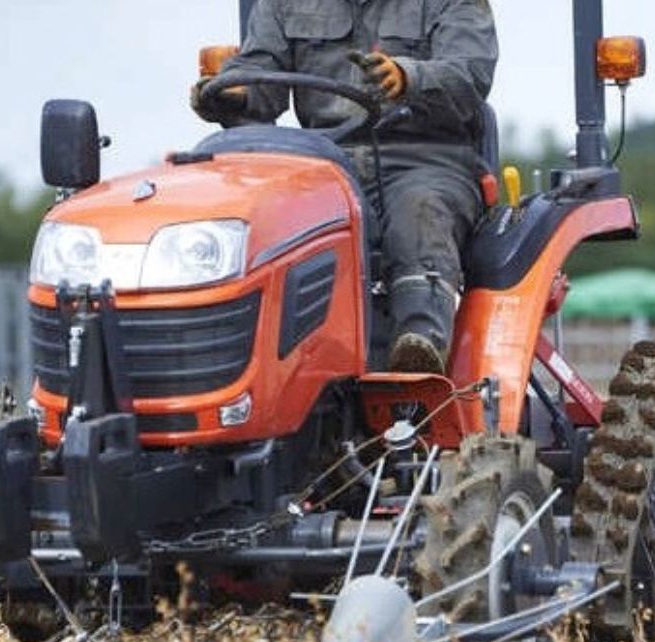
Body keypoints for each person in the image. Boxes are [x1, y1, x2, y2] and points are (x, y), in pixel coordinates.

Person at [191, 0, 498, 374]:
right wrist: (236, 92)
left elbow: (469, 76)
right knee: (268, 223)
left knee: (419, 210)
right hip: (325, 159)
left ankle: (419, 343)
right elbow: (261, 73)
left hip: (424, 158)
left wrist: (409, 78)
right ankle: (254, 359)